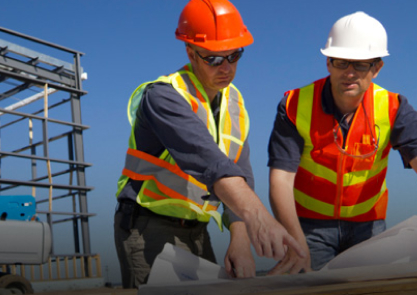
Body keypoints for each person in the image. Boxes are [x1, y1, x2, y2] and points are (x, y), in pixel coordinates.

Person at [266, 11, 417, 274]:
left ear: (377, 68)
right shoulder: (293, 105)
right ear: (328, 63)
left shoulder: (394, 108)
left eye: (360, 64)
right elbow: (281, 179)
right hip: (308, 227)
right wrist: (294, 239)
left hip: (368, 226)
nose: (349, 73)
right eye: (340, 62)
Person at [113, 0, 304, 288]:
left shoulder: (235, 103)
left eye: (234, 55)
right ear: (191, 52)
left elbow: (239, 171)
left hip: (198, 230)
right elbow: (210, 163)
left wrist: (240, 238)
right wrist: (260, 218)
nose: (226, 67)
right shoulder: (163, 97)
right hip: (147, 226)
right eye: (214, 58)